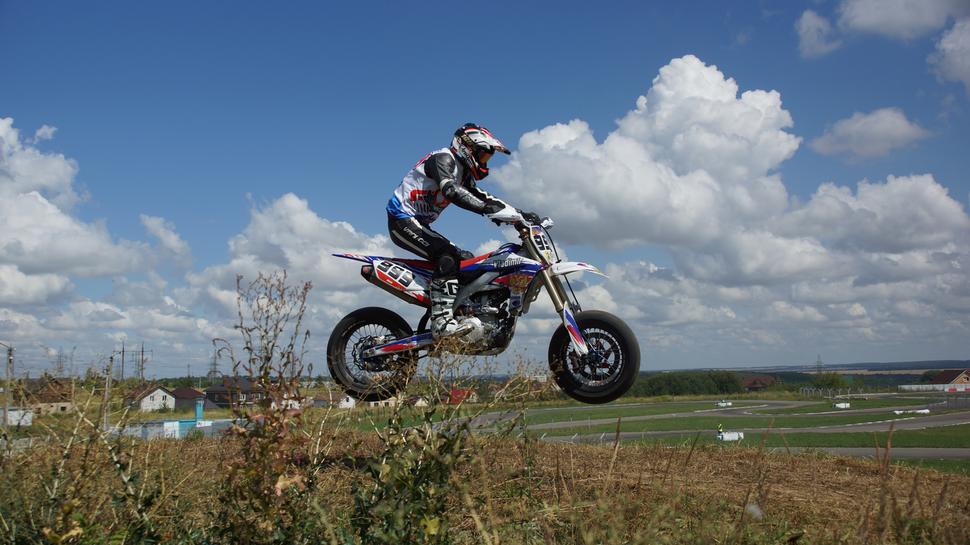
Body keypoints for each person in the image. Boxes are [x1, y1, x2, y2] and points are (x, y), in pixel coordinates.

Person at [386, 123, 540, 339]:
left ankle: (462, 314)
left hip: (419, 224)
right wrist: (487, 210)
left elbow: (483, 197)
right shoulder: (443, 159)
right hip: (402, 219)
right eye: (483, 155)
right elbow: (452, 191)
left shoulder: (463, 172)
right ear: (467, 147)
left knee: (467, 262)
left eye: (487, 158)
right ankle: (441, 321)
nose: (484, 162)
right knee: (447, 257)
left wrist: (519, 214)